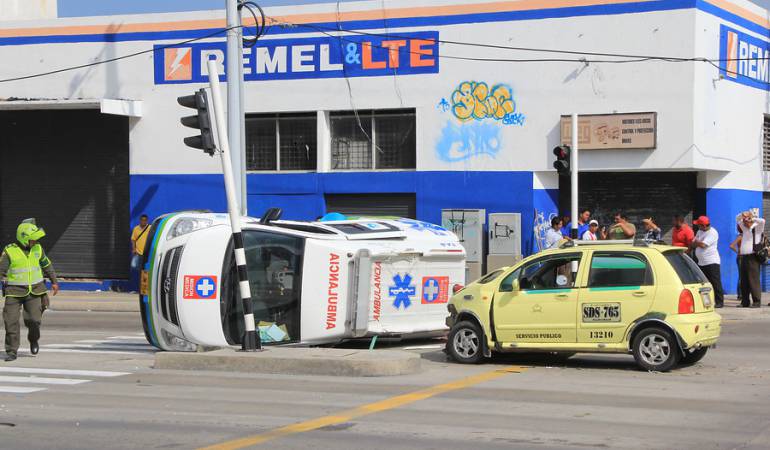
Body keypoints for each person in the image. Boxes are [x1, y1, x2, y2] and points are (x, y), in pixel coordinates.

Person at [0, 221, 59, 361]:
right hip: (14, 292)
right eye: (33, 239)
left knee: (34, 320)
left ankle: (33, 339)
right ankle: (12, 351)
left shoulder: (38, 248)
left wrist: (54, 281)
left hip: (35, 291)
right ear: (24, 238)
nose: (35, 241)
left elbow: (47, 265)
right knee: (10, 321)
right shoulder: (9, 250)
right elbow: (1, 270)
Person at [691, 216, 724, 308]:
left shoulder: (712, 232)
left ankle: (719, 302)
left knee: (715, 282)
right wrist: (697, 243)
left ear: (704, 225)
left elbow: (703, 245)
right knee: (703, 283)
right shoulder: (699, 231)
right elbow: (693, 243)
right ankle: (707, 301)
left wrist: (697, 242)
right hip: (701, 262)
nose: (698, 226)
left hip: (711, 262)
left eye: (699, 225)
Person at [736, 210, 765, 308]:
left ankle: (756, 301)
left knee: (753, 280)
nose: (744, 223)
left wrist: (751, 218)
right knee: (744, 280)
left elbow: (762, 221)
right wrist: (743, 215)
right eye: (744, 221)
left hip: (753, 257)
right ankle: (745, 302)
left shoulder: (757, 228)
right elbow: (737, 219)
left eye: (746, 221)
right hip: (744, 256)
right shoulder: (744, 228)